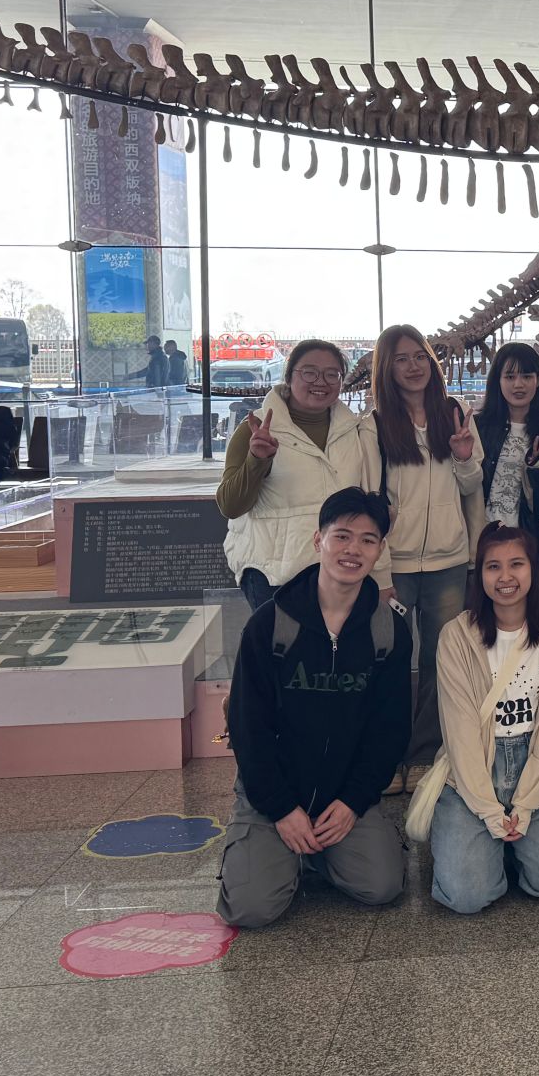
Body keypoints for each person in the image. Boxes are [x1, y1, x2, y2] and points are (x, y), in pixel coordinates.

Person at [215, 488, 409, 928]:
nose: (353, 550)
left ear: (380, 550)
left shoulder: (388, 632)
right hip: (275, 794)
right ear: (318, 540)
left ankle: (319, 854)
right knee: (251, 909)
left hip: (343, 796)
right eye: (342, 536)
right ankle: (269, 846)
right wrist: (281, 809)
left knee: (382, 886)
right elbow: (248, 728)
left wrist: (353, 801)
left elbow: (390, 730)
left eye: (367, 540)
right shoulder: (270, 624)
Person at [407, 523, 539, 911]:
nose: (506, 577)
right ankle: (478, 840)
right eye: (493, 566)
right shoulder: (456, 636)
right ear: (480, 574)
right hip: (472, 770)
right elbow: (460, 734)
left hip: (538, 772)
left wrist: (524, 806)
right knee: (467, 895)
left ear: (534, 569)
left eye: (516, 564)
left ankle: (512, 848)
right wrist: (490, 812)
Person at [361, 323, 484, 778]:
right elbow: (370, 501)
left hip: (448, 562)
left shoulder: (454, 412)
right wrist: (380, 570)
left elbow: (471, 486)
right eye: (401, 359)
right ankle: (387, 755)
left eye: (419, 356)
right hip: (395, 565)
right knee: (389, 661)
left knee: (440, 661)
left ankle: (424, 753)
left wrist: (464, 455)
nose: (413, 366)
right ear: (386, 369)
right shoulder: (374, 425)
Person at [217, 338, 369, 611]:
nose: (320, 382)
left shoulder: (353, 431)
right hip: (274, 574)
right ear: (289, 376)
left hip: (337, 570)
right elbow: (230, 505)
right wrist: (257, 460)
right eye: (309, 372)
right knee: (279, 639)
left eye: (331, 374)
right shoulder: (255, 429)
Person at [474, 341, 539, 576]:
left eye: (526, 376)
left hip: (525, 544)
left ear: (538, 380)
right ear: (498, 381)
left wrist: (535, 468)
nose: (518, 384)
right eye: (510, 377)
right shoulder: (476, 429)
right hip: (479, 543)